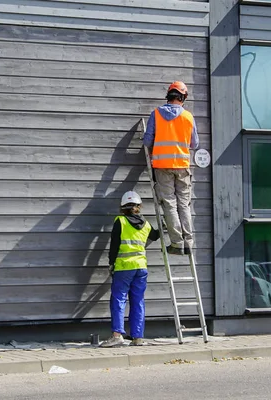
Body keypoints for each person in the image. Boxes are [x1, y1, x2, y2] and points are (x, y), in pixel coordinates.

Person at [143, 81, 199, 256]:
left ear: (169, 95)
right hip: (182, 166)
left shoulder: (156, 114)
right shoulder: (188, 117)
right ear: (183, 97)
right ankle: (188, 243)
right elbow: (195, 143)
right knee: (183, 204)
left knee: (169, 204)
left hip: (162, 166)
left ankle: (177, 243)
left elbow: (147, 141)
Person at [100, 191, 160, 348]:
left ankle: (117, 335)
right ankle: (138, 337)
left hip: (124, 267)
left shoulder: (120, 221)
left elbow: (114, 245)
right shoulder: (146, 224)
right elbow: (155, 235)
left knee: (119, 299)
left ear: (123, 207)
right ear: (138, 206)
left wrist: (111, 263)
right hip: (141, 267)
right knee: (138, 301)